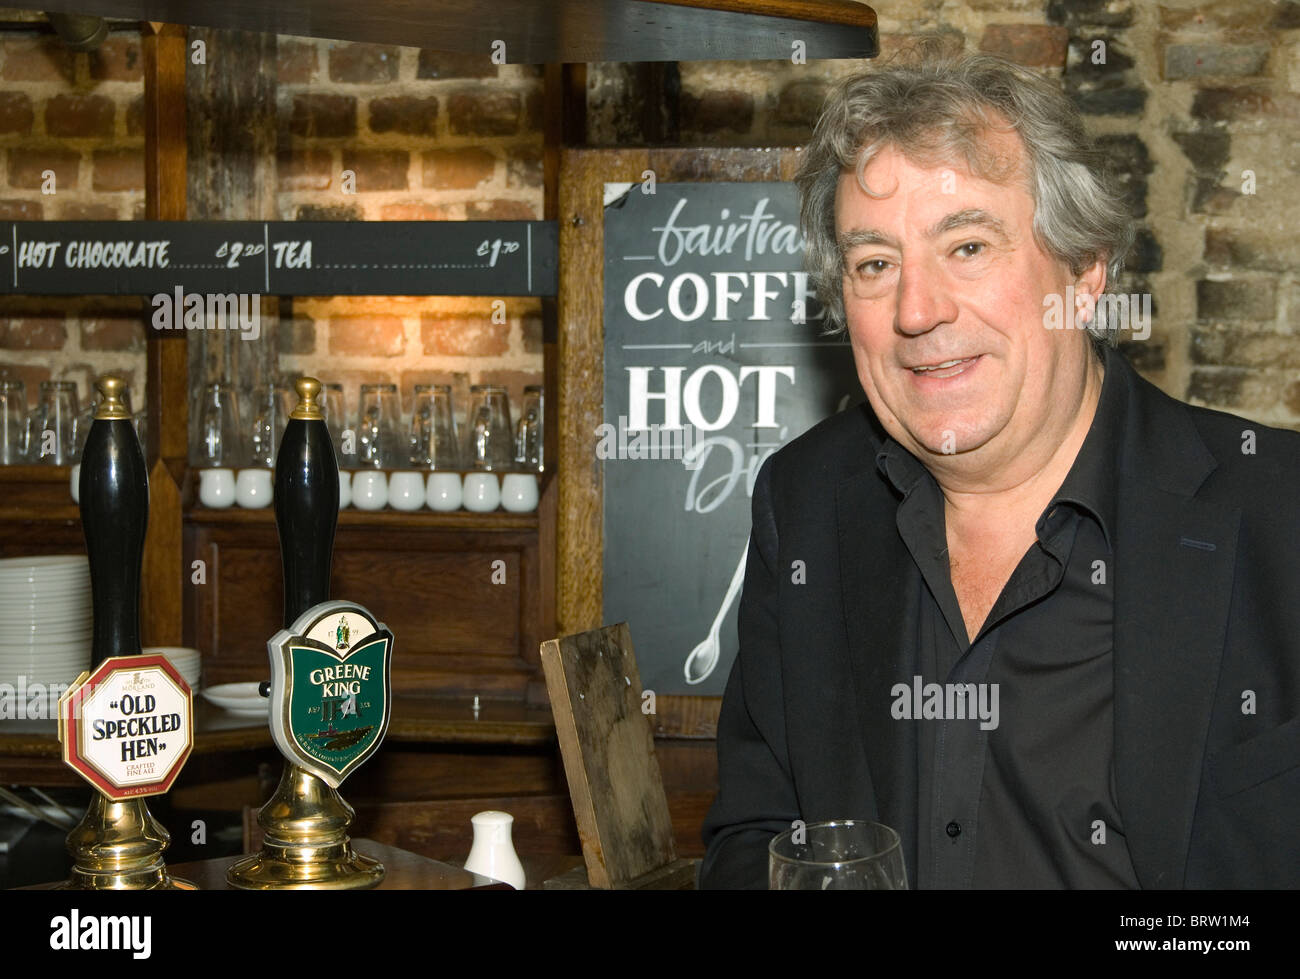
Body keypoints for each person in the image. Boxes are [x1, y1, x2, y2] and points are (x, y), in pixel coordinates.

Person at [699, 39, 1300, 889]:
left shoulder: (1279, 519)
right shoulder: (805, 505)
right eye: (875, 264)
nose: (917, 309)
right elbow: (751, 837)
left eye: (969, 246)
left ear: (1085, 271)